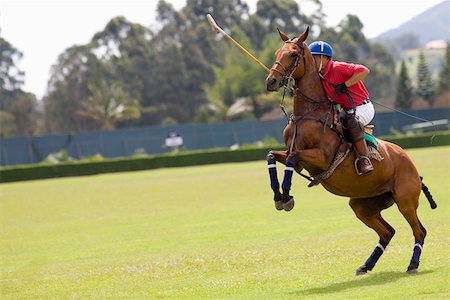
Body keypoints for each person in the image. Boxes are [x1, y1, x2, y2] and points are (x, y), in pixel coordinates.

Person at [309, 41, 374, 175]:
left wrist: (346, 84)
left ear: (325, 58)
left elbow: (364, 70)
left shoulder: (338, 67)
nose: (312, 60)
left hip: (363, 107)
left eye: (314, 57)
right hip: (344, 111)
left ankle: (364, 160)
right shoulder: (319, 76)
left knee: (351, 122)